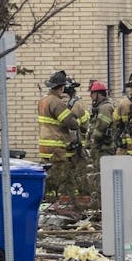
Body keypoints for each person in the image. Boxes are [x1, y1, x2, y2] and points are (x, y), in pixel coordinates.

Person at [36, 70, 83, 198]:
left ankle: (47, 198)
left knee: (49, 172)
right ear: (61, 88)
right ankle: (56, 201)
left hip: (44, 145)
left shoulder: (43, 101)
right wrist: (78, 121)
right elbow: (70, 122)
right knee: (60, 174)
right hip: (56, 144)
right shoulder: (56, 102)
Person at [81, 80, 117, 169]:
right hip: (101, 147)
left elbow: (101, 127)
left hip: (105, 147)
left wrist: (92, 143)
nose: (90, 96)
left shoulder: (105, 107)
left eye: (92, 93)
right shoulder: (100, 107)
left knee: (104, 173)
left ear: (99, 94)